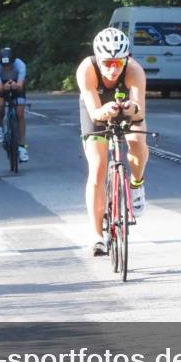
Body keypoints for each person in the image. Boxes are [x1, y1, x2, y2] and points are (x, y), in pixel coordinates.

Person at [77, 27, 149, 256]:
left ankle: (136, 185)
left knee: (137, 141)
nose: (113, 68)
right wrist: (103, 110)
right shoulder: (86, 69)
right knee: (97, 168)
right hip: (97, 107)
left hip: (125, 106)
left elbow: (139, 112)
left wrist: (130, 108)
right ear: (98, 59)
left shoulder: (135, 70)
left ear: (126, 58)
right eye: (107, 62)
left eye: (119, 62)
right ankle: (97, 235)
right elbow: (94, 113)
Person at [0, 46, 29, 162]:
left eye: (9, 65)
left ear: (14, 61)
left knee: (20, 113)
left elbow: (21, 86)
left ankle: (22, 147)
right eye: (4, 66)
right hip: (1, 85)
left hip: (16, 83)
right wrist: (4, 88)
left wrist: (16, 86)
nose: (7, 68)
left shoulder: (20, 65)